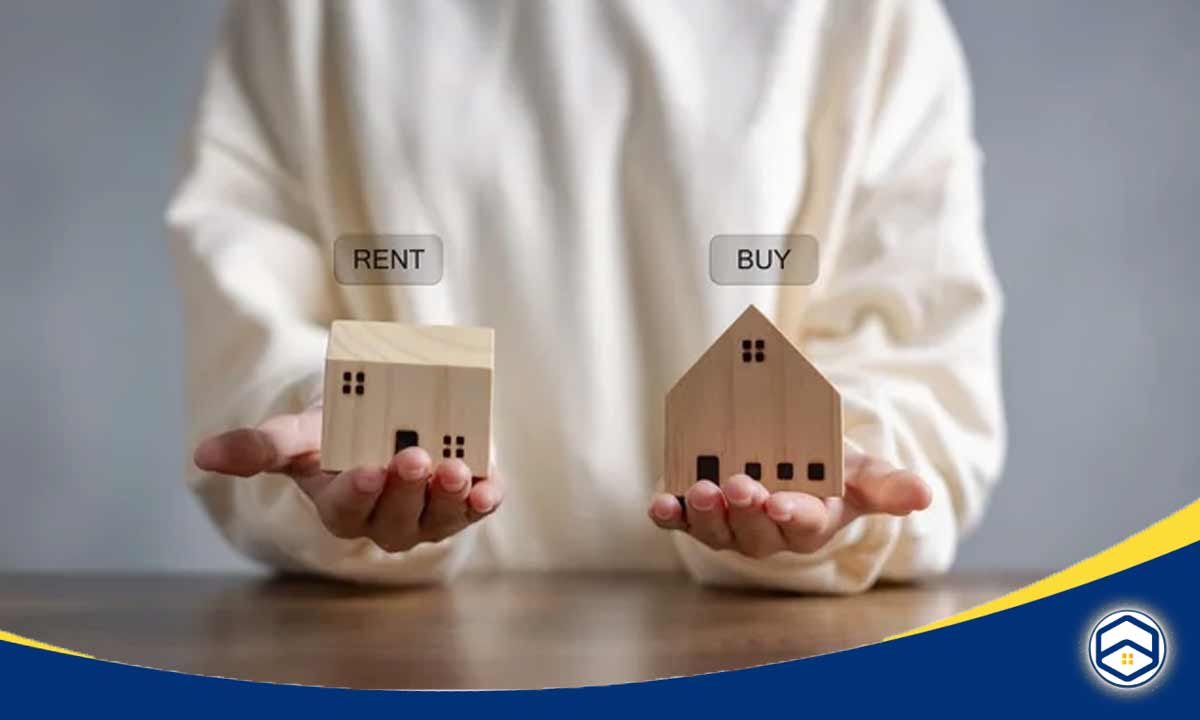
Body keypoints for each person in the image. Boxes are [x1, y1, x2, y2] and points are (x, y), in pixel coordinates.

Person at [173, 0, 1004, 593]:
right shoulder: (303, 17)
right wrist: (322, 413)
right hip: (414, 662)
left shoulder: (865, 19)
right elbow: (255, 311)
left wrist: (843, 465)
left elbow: (916, 346)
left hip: (753, 661)